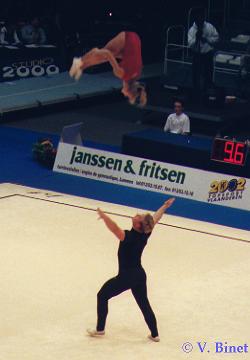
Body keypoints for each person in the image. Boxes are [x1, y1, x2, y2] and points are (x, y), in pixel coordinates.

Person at [87, 197, 175, 342]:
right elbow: (155, 219)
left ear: (137, 224)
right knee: (144, 304)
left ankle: (100, 329)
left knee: (102, 295)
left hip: (127, 276)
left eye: (139, 216)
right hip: (139, 275)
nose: (137, 214)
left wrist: (104, 217)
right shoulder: (145, 233)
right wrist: (165, 206)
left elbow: (115, 228)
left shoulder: (128, 237)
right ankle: (155, 334)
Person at [69, 31, 147, 106]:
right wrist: (98, 52)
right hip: (127, 38)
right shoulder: (121, 74)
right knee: (102, 55)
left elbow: (130, 57)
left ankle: (81, 65)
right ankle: (80, 62)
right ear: (129, 90)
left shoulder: (137, 75)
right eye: (127, 96)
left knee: (104, 56)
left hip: (134, 40)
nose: (124, 95)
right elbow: (107, 53)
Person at [188, 12, 219, 95]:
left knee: (208, 73)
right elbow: (190, 44)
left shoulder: (209, 27)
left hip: (207, 53)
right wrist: (196, 39)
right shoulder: (192, 30)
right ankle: (196, 91)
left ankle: (207, 91)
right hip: (197, 54)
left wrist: (207, 39)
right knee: (195, 73)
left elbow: (216, 38)